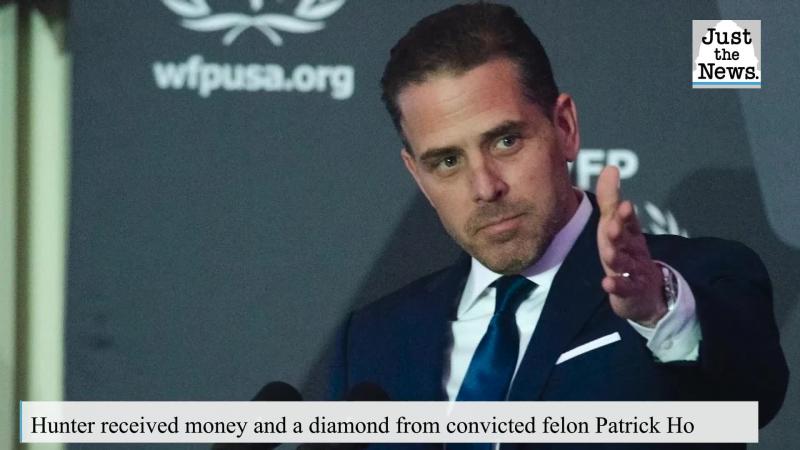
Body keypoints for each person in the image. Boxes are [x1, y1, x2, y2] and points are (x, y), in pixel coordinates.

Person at [328, 3, 788, 448]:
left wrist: (656, 312)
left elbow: (750, 401)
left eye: (506, 141)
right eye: (447, 161)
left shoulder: (698, 278)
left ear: (564, 127)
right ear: (418, 176)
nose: (485, 187)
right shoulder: (372, 340)